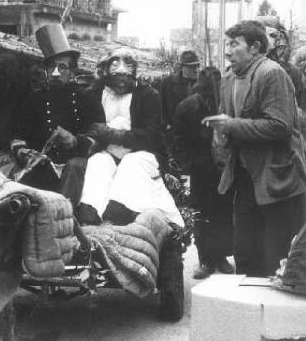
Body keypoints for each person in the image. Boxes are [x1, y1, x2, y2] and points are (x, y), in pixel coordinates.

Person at [207, 20, 306, 277]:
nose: (227, 51)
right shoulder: (228, 78)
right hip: (244, 178)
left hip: (277, 180)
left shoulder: (271, 73)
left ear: (255, 48)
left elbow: (280, 125)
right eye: (226, 44)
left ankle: (275, 315)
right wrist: (221, 136)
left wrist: (231, 126)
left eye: (234, 44)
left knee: (276, 256)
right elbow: (228, 122)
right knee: (245, 253)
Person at [0, 23, 103, 196]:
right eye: (51, 67)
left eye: (62, 67)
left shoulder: (87, 99)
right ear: (45, 70)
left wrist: (75, 141)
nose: (56, 73)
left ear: (72, 71)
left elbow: (99, 138)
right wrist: (22, 150)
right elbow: (18, 134)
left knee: (74, 167)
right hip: (44, 166)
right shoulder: (34, 99)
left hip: (77, 165)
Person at [76, 48, 184, 228]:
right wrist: (94, 138)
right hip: (106, 152)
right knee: (97, 165)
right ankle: (91, 217)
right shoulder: (94, 94)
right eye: (116, 77)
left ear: (133, 76)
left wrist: (110, 133)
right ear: (106, 75)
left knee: (130, 167)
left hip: (142, 152)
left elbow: (150, 135)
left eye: (126, 77)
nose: (121, 83)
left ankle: (120, 216)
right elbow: (89, 128)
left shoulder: (148, 96)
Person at [173, 67, 234, 279]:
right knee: (202, 214)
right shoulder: (188, 107)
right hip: (201, 170)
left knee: (224, 213)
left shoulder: (226, 105)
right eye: (208, 92)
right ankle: (205, 260)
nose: (212, 96)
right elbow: (178, 140)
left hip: (224, 169)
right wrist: (189, 165)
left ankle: (221, 257)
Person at [160, 50, 201, 130]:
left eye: (197, 66)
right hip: (173, 132)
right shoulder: (167, 83)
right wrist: (166, 125)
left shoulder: (201, 84)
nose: (196, 70)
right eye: (192, 67)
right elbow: (161, 108)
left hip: (195, 133)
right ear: (183, 67)